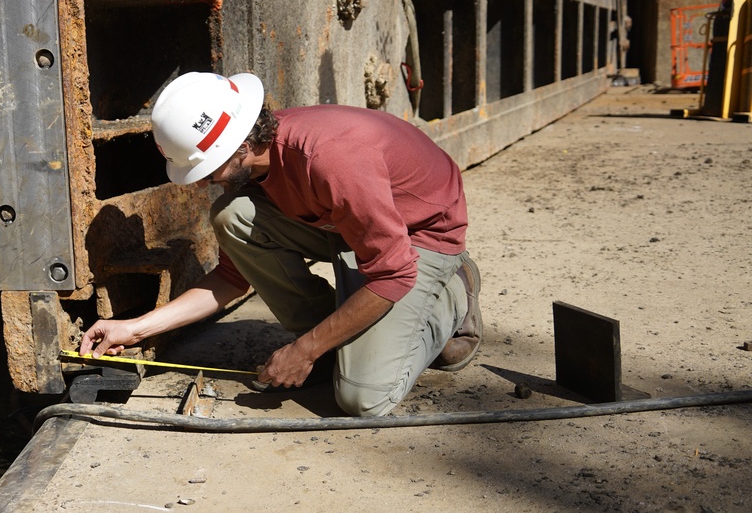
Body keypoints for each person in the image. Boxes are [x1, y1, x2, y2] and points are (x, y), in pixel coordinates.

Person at [80, 72, 482, 417]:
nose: (202, 182)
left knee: (363, 397)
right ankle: (331, 344)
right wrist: (135, 329)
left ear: (239, 147)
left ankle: (452, 297)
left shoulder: (330, 160)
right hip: (358, 223)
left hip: (421, 233)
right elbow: (231, 279)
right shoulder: (259, 160)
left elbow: (393, 273)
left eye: (206, 168)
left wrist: (304, 350)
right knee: (230, 215)